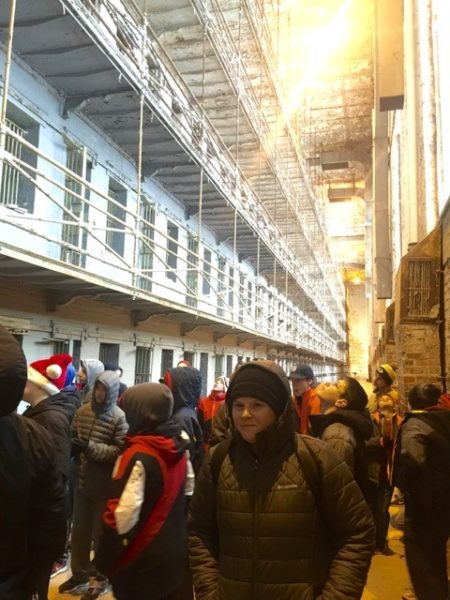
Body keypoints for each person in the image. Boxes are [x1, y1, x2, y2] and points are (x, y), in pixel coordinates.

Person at [188, 360, 375, 599]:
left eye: (257, 405)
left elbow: (356, 532)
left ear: (277, 408)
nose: (245, 414)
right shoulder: (218, 461)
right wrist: (210, 593)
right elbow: (200, 532)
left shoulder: (317, 459)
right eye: (238, 405)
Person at [96, 382, 189, 600]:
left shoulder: (138, 455)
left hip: (143, 563)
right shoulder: (178, 448)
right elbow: (188, 493)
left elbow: (121, 517)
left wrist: (104, 559)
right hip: (174, 553)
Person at [0, 326, 66, 600]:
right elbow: (50, 520)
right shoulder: (34, 437)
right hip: (13, 581)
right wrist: (28, 582)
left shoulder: (45, 426)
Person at [59, 370, 128, 599]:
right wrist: (74, 446)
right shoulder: (83, 411)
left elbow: (120, 451)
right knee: (79, 533)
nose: (99, 393)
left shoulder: (119, 417)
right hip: (81, 480)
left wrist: (89, 447)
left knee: (100, 536)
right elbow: (72, 435)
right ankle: (79, 573)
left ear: (111, 392)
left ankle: (99, 577)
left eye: (103, 390)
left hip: (103, 486)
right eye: (97, 388)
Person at [22, 353, 75, 598]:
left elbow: (57, 476)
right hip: (35, 517)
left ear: (38, 385)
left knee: (34, 585)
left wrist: (52, 538)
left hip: (40, 522)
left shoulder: (50, 419)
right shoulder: (37, 413)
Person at [393, 383, 450, 600]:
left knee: (423, 561)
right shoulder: (445, 418)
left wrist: (408, 487)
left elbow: (413, 459)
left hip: (425, 506)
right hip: (444, 500)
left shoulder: (415, 424)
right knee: (437, 554)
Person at [367, 394, 403, 554]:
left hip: (389, 473)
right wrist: (379, 442)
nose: (386, 400)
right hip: (372, 471)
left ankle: (381, 543)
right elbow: (362, 443)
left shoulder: (401, 423)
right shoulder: (371, 421)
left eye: (390, 399)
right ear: (377, 404)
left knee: (382, 510)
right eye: (383, 398)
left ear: (395, 404)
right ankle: (371, 543)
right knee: (371, 509)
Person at [164, 364, 204, 475]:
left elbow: (183, 459)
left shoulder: (181, 419)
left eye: (168, 385)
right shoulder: (186, 412)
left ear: (179, 388)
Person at [197, 376, 228, 451]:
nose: (217, 383)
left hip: (222, 443)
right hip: (205, 443)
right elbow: (199, 424)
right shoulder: (204, 402)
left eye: (220, 381)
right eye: (216, 381)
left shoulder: (228, 403)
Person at [289, 363, 320, 434]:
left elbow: (314, 430)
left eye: (298, 380)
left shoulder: (315, 400)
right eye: (292, 380)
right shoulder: (294, 400)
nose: (294, 384)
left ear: (309, 381)